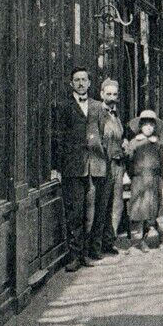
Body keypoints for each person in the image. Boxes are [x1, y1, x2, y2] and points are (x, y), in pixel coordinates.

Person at [51, 67, 111, 271]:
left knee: (91, 212)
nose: (80, 83)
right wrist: (56, 166)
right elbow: (57, 137)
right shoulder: (64, 106)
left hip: (95, 165)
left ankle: (87, 253)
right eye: (76, 80)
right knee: (75, 212)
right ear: (71, 84)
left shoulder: (97, 107)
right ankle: (74, 256)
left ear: (90, 83)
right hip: (73, 167)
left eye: (84, 79)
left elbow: (104, 135)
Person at [123, 110, 163, 249]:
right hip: (139, 181)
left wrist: (160, 176)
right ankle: (142, 240)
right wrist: (133, 175)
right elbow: (129, 162)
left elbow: (162, 162)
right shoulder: (134, 143)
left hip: (154, 180)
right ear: (140, 126)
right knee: (141, 210)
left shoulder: (158, 143)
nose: (148, 128)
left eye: (151, 125)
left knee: (152, 210)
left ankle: (158, 232)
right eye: (145, 125)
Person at [98, 78, 126, 253]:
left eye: (115, 94)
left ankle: (110, 240)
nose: (112, 97)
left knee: (117, 203)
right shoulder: (98, 114)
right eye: (108, 94)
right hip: (105, 164)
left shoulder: (116, 115)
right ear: (101, 94)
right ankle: (98, 243)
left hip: (118, 164)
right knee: (103, 204)